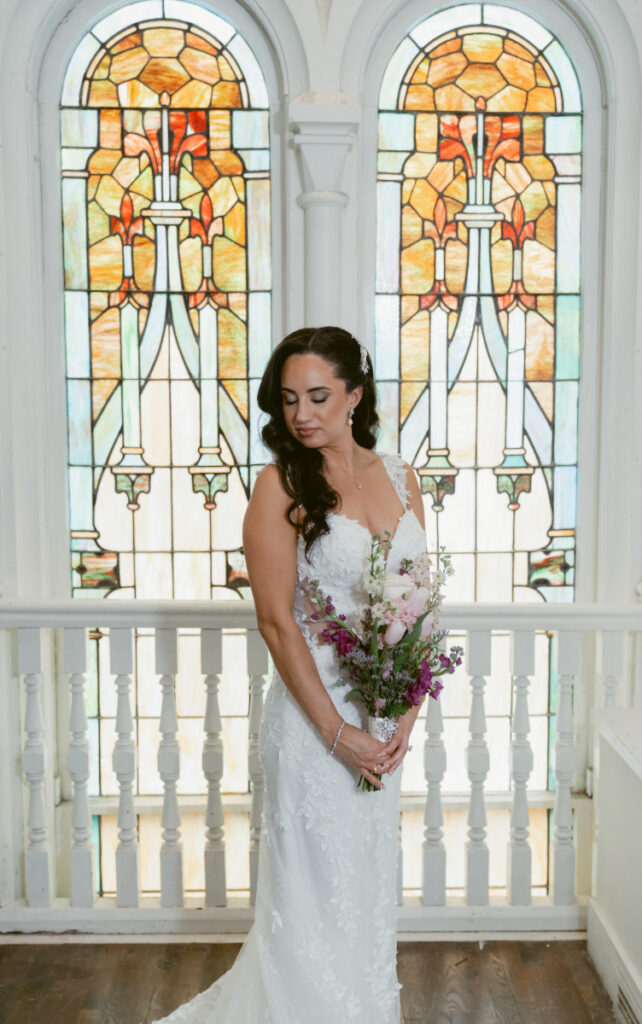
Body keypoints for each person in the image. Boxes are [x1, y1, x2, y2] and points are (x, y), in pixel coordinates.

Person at [148, 326, 427, 1023]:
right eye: (288, 399)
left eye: (318, 396)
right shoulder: (277, 486)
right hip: (311, 728)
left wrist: (401, 723)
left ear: (354, 396)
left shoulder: (401, 476)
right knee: (307, 901)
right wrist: (337, 734)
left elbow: (417, 603)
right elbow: (275, 622)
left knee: (360, 892)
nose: (301, 413)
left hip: (380, 719)